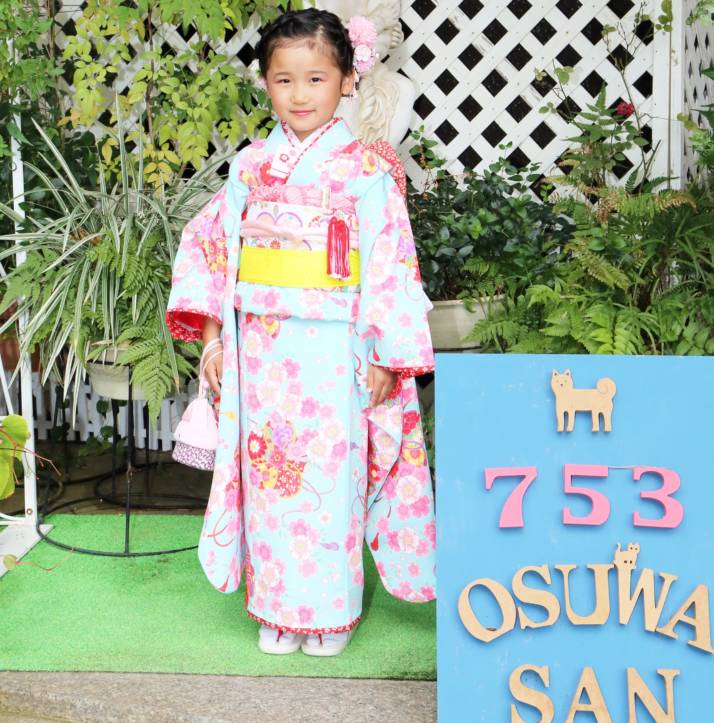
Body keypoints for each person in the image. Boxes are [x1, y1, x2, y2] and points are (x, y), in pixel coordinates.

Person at [166, 7, 435, 657]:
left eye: (316, 79)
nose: (299, 94)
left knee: (331, 478)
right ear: (266, 83)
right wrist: (214, 340)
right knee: (270, 475)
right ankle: (277, 606)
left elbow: (391, 261)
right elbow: (210, 249)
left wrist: (385, 355)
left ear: (347, 80)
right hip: (264, 347)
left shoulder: (367, 169)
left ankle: (331, 611)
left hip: (338, 348)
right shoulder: (253, 166)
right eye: (284, 80)